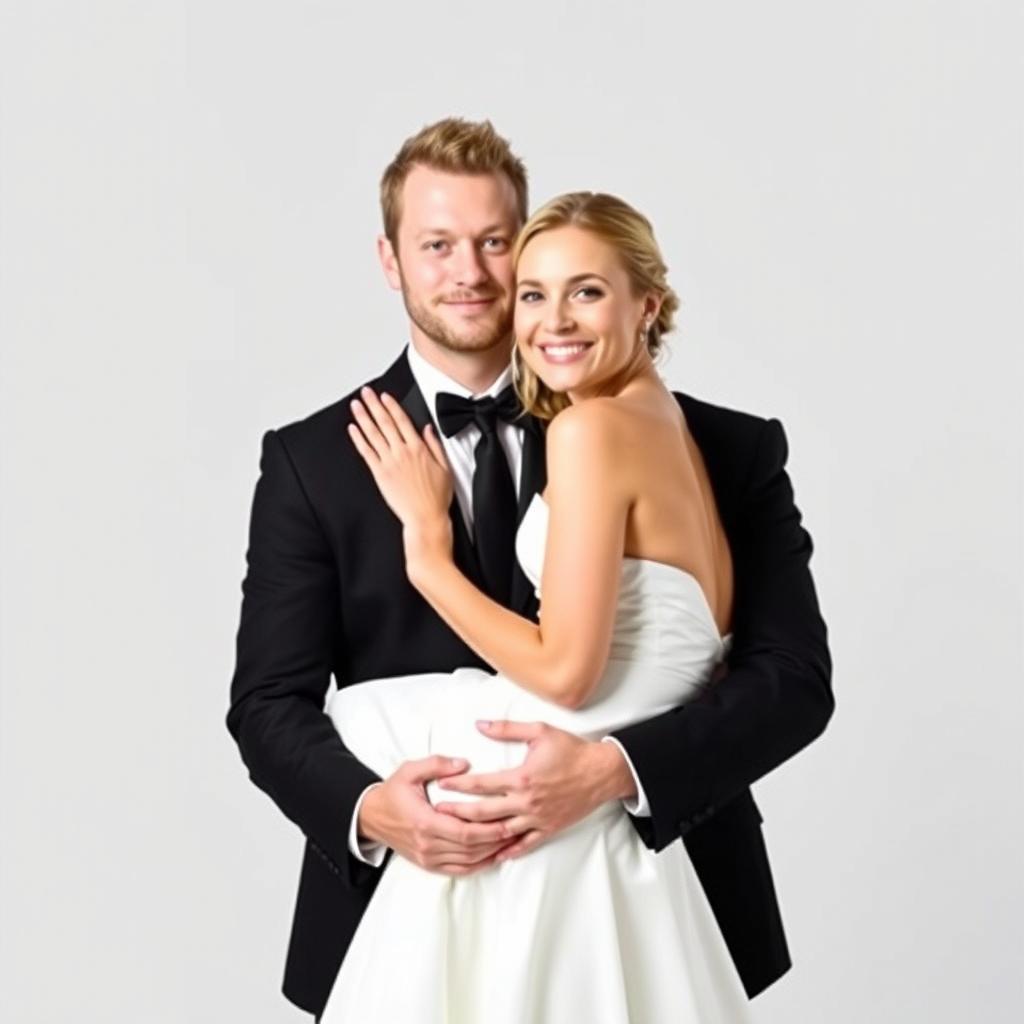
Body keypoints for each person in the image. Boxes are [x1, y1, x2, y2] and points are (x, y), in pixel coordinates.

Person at [226, 118, 832, 1020]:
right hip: (417, 916)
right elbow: (266, 704)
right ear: (390, 261)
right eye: (436, 245)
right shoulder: (313, 462)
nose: (469, 273)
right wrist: (374, 812)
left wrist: (616, 770)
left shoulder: (720, 445)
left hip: (655, 897)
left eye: (494, 242)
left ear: (530, 243)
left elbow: (793, 682)